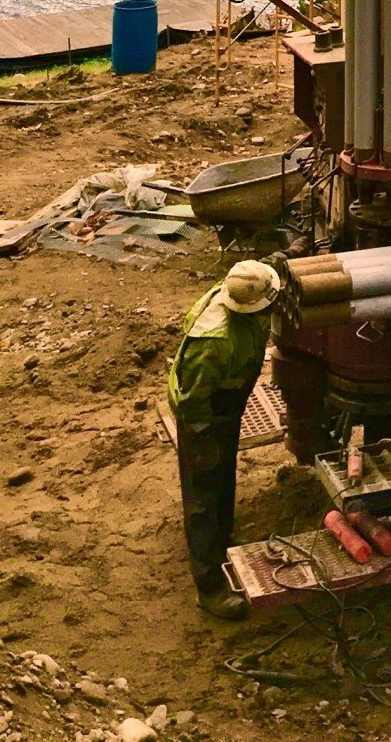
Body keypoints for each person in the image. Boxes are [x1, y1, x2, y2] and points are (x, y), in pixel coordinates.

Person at [168, 258, 277, 620]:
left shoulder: (242, 289)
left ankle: (222, 543)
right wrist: (204, 440)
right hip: (202, 413)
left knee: (224, 476)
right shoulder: (212, 345)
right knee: (203, 490)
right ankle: (210, 586)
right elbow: (192, 399)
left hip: (226, 403)